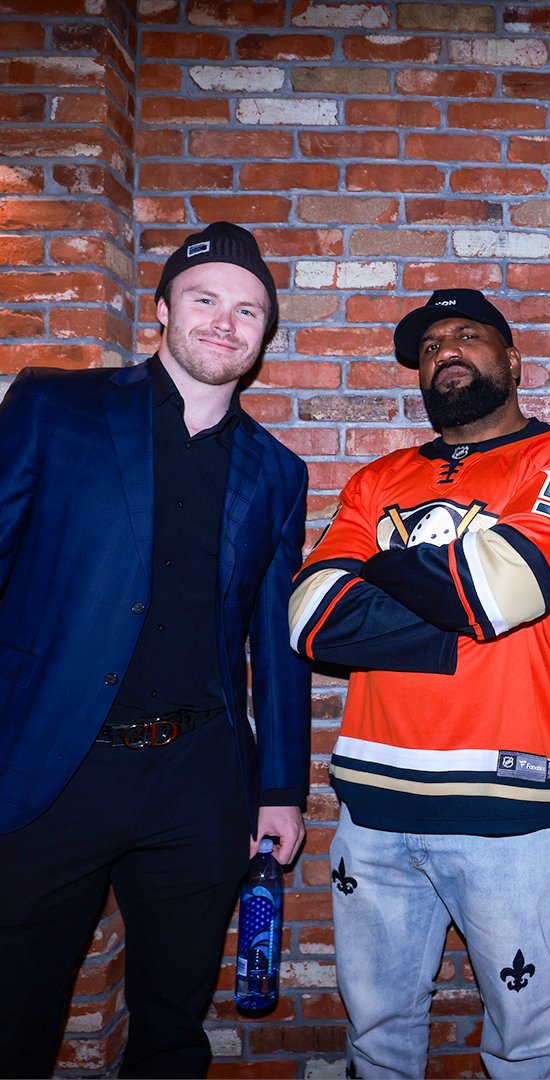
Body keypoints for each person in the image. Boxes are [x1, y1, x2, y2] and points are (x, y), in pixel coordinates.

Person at [0, 221, 312, 1079]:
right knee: (14, 1016)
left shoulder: (277, 470)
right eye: (205, 298)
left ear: (263, 335)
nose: (225, 320)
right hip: (48, 770)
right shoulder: (54, 406)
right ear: (163, 310)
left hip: (196, 780)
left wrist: (281, 789)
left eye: (248, 309)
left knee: (173, 1027)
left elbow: (276, 644)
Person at [288, 289, 550, 1079]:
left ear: (512, 360)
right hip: (373, 807)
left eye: (468, 335)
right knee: (376, 1037)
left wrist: (383, 578)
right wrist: (458, 617)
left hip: (513, 808)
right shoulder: (378, 477)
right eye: (431, 345)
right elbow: (310, 618)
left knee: (528, 1041)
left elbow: (510, 584)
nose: (447, 351)